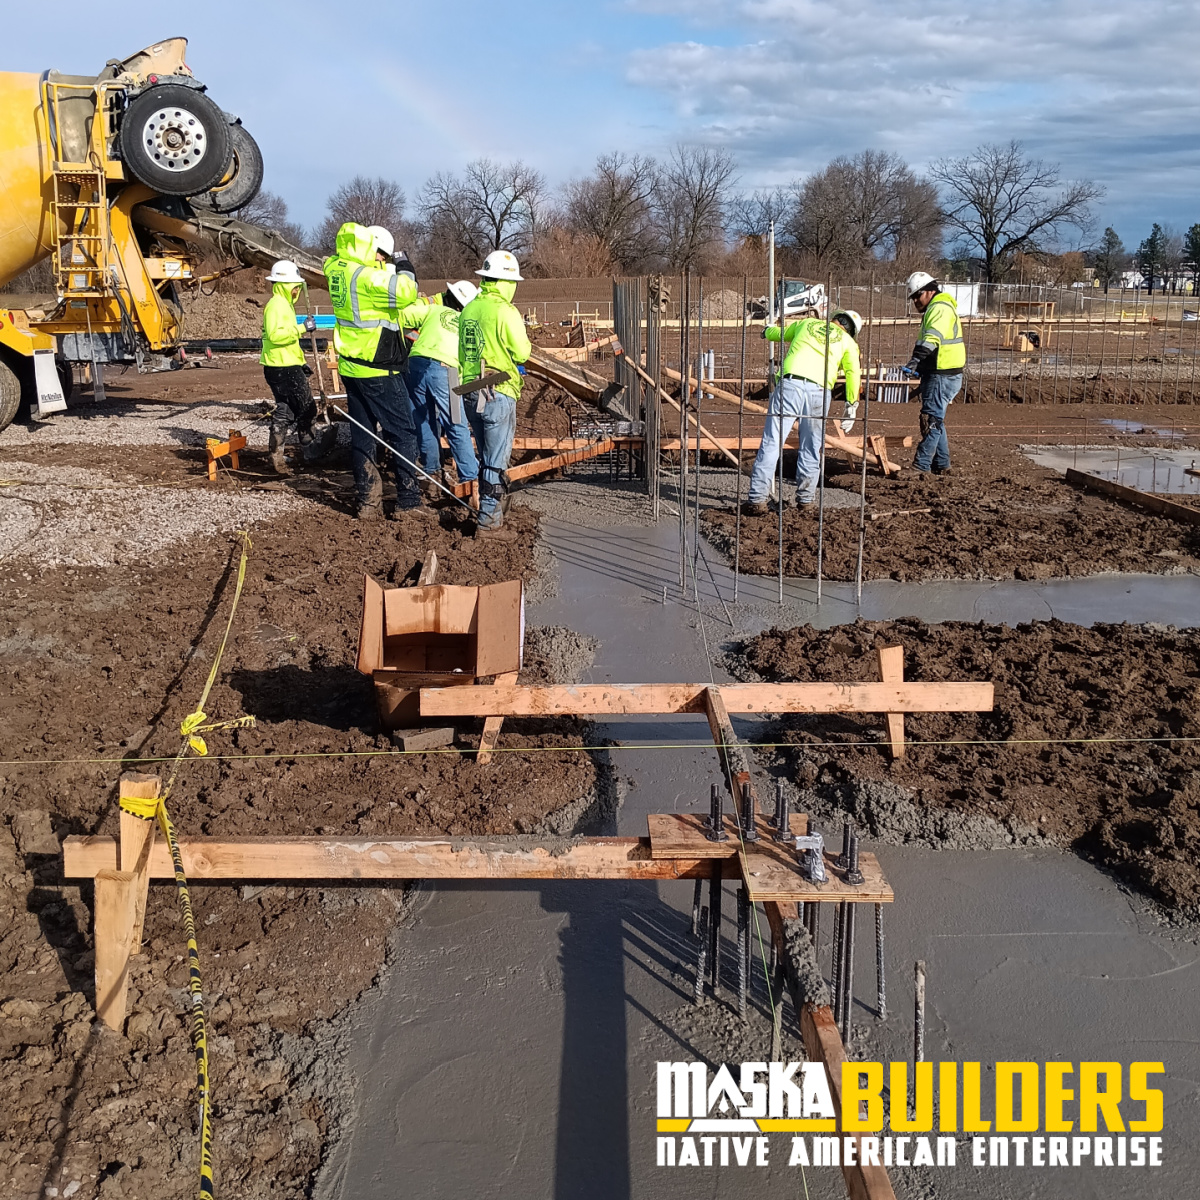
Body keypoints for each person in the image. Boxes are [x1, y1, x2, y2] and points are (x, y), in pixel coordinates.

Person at [323, 223, 425, 519]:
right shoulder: (367, 278)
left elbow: (333, 264)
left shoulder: (337, 269)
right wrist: (403, 264)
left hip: (352, 367)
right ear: (370, 250)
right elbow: (406, 292)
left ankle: (368, 503)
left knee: (364, 435)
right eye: (381, 255)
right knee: (403, 433)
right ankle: (408, 503)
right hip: (378, 367)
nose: (382, 261)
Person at [743, 309, 863, 515]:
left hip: (790, 386)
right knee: (811, 446)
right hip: (819, 391)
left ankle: (757, 499)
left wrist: (766, 331)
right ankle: (806, 501)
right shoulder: (849, 343)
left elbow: (778, 333)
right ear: (851, 330)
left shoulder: (807, 324)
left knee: (773, 442)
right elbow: (853, 373)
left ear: (835, 318)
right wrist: (851, 405)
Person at [457, 250, 531, 531]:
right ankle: (489, 523)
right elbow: (523, 352)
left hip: (471, 389)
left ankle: (491, 510)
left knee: (485, 455)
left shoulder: (469, 309)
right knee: (495, 462)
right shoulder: (505, 310)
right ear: (505, 282)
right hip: (498, 390)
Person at [397, 280, 480, 490]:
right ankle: (470, 477)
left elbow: (403, 316)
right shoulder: (468, 323)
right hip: (447, 370)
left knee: (423, 420)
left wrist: (415, 333)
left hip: (416, 363)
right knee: (456, 423)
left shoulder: (434, 310)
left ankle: (431, 471)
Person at [902, 271, 966, 476]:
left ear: (929, 291)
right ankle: (942, 464)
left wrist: (916, 360)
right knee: (936, 418)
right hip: (941, 372)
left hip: (942, 373)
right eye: (913, 298)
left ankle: (921, 466)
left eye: (916, 296)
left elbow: (932, 338)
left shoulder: (939, 308)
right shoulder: (940, 307)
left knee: (930, 419)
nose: (915, 301)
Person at [260, 260, 317, 475]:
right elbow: (276, 336)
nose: (298, 291)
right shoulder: (277, 305)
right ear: (287, 285)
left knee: (285, 410)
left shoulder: (282, 304)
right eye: (296, 287)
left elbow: (286, 339)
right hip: (284, 367)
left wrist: (301, 362)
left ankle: (276, 454)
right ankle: (310, 448)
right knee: (307, 408)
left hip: (280, 364)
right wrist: (303, 328)